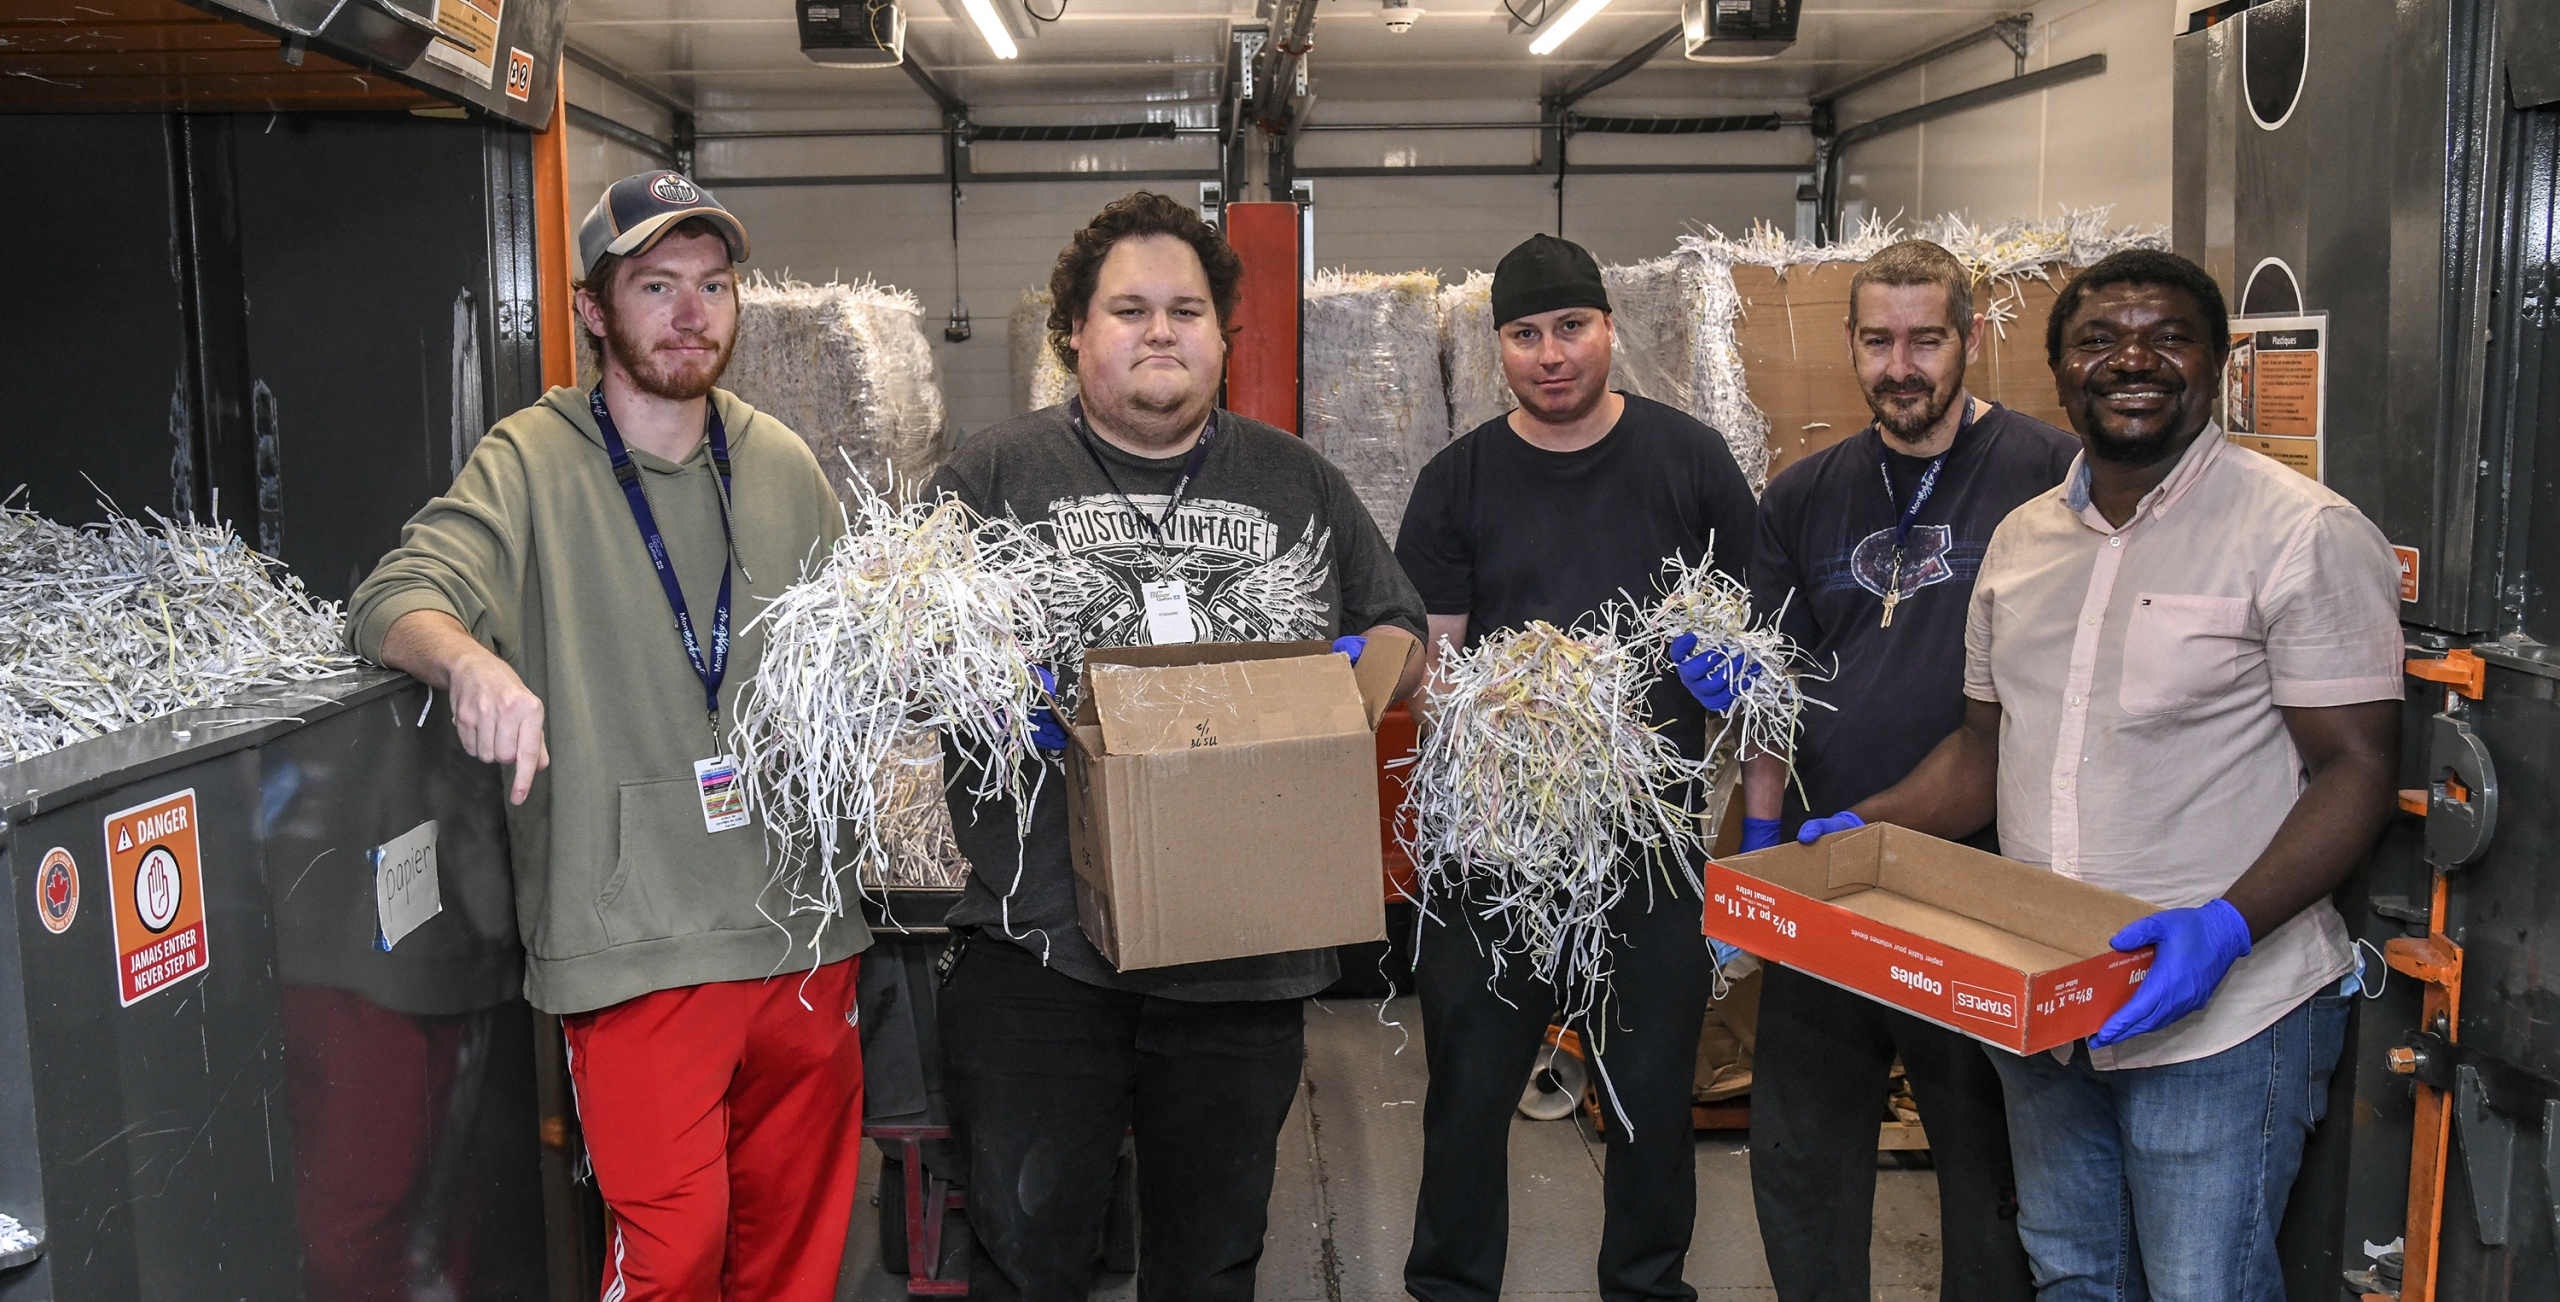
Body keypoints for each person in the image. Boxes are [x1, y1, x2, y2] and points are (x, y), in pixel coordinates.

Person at [1801, 249, 2400, 1300]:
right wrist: (1864, 827)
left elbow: (2354, 769)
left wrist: (2222, 927)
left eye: (2164, 337)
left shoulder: (2299, 532)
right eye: (2096, 340)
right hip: (2048, 1006)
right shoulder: (2025, 542)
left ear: (2213, 363)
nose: (2130, 359)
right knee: (2074, 1275)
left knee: (2200, 1286)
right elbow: (1984, 754)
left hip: (2224, 1018)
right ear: (2056, 370)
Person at [348, 170, 868, 1302]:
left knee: (797, 1255)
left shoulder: (779, 460)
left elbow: (854, 655)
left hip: (803, 933)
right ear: (594, 311)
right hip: (634, 942)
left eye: (714, 286)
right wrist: (471, 658)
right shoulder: (530, 460)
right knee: (672, 1256)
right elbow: (395, 597)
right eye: (656, 286)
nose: (692, 314)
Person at [926, 190, 1427, 1302]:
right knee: (1026, 1256)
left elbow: (1397, 623)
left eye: (1187, 311)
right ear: (1072, 334)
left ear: (1221, 336)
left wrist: (1348, 692)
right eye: (1130, 309)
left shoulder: (1296, 480)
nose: (1161, 332)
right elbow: (896, 653)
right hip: (1040, 955)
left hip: (1244, 958)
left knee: (1211, 1261)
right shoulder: (988, 481)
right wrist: (977, 673)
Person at [1393, 232, 1759, 1302]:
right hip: (1495, 843)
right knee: (1465, 1093)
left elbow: (1751, 633)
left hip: (1646, 840)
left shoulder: (1688, 460)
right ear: (1497, 346)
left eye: (1569, 327)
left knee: (1647, 1092)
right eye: (1524, 334)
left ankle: (1646, 1286)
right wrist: (1502, 714)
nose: (1550, 354)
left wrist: (1727, 675)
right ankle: (1451, 1288)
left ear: (1609, 328)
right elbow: (1436, 667)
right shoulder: (1457, 480)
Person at [1737, 239, 2070, 1302]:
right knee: (1799, 1152)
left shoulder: (2046, 474)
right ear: (1851, 346)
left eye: (1926, 339)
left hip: (1978, 873)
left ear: (1970, 337)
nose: (1901, 368)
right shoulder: (1802, 497)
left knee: (1987, 1166)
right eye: (1877, 342)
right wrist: (1758, 838)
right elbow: (1768, 694)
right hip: (1829, 866)